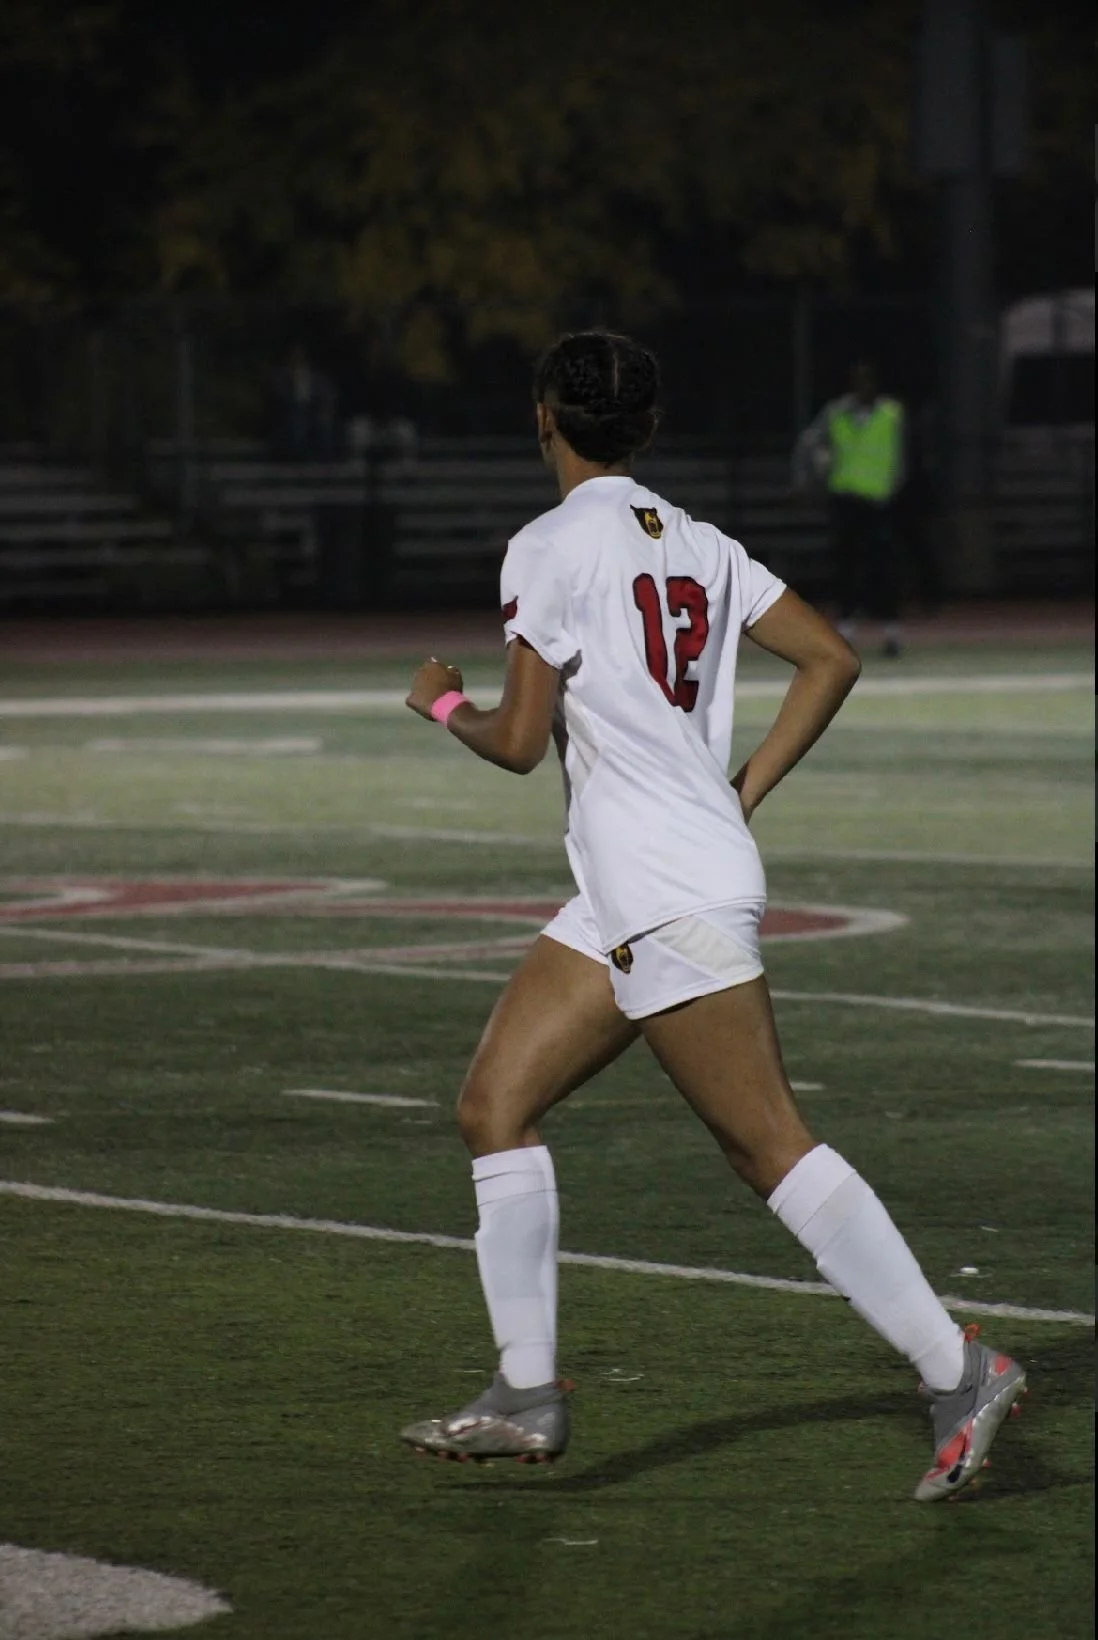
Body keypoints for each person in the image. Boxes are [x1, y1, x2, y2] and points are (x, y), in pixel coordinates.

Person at [401, 331, 1025, 1500]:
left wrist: (441, 704)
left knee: (766, 1143)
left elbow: (521, 741)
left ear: (544, 417)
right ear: (646, 427)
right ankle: (526, 1392)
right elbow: (831, 658)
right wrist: (738, 792)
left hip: (666, 887)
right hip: (634, 883)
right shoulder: (694, 539)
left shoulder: (548, 544)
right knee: (494, 1105)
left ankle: (959, 1366)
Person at [793, 359, 906, 657]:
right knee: (846, 564)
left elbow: (904, 455)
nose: (863, 387)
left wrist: (898, 489)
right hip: (845, 499)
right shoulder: (836, 413)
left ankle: (891, 631)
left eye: (868, 381)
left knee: (884, 567)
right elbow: (810, 443)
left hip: (880, 501)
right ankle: (845, 628)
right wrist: (807, 477)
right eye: (858, 381)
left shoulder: (891, 413)